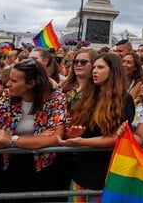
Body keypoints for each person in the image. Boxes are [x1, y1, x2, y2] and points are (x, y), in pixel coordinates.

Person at [0, 58, 67, 196]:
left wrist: (11, 140)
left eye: (13, 81)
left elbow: (56, 138)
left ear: (30, 84)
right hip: (11, 165)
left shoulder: (55, 98)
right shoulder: (6, 97)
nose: (7, 84)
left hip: (44, 168)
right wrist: (37, 139)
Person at [58, 52, 135, 198]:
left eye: (100, 67)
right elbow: (84, 129)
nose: (94, 71)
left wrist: (82, 141)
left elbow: (116, 137)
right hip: (81, 170)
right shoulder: (88, 96)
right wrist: (75, 133)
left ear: (113, 71)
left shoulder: (124, 99)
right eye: (94, 67)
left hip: (106, 172)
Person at [61, 48, 97, 114]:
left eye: (83, 62)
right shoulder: (63, 86)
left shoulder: (97, 89)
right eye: (76, 62)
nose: (78, 64)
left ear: (94, 64)